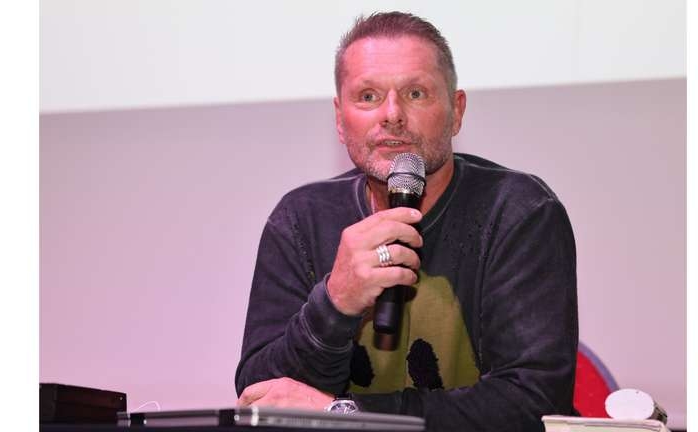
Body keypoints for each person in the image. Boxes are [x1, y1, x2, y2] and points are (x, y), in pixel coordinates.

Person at [235, 11, 578, 431]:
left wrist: (345, 416)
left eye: (416, 93)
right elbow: (259, 398)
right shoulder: (300, 219)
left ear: (456, 111)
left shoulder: (518, 212)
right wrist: (335, 303)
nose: (392, 114)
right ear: (340, 119)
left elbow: (534, 404)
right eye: (368, 96)